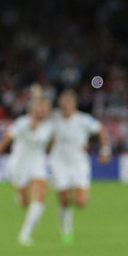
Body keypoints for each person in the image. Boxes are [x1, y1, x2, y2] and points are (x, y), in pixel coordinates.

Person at [0, 92, 54, 246]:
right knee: (25, 203)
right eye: (42, 107)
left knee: (40, 198)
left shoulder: (50, 126)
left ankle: (25, 235)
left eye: (47, 108)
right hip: (19, 164)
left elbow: (51, 144)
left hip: (38, 163)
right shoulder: (21, 123)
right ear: (34, 108)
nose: (44, 111)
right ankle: (20, 194)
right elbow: (5, 140)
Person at [48, 89, 112, 244]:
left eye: (68, 103)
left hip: (78, 163)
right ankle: (66, 230)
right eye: (63, 103)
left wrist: (105, 150)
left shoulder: (83, 120)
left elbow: (101, 130)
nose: (65, 106)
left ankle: (70, 192)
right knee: (63, 199)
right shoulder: (54, 118)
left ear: (74, 104)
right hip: (59, 162)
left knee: (81, 202)